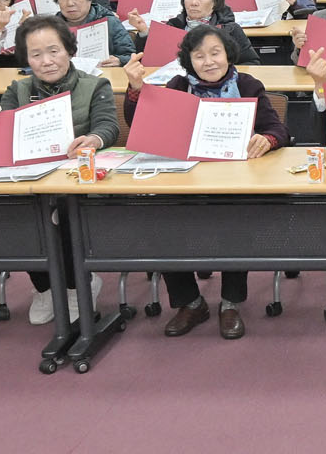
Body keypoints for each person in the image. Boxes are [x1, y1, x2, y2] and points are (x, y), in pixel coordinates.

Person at [123, 25, 288, 338]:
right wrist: (135, 88)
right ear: (189, 61)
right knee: (162, 220)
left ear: (228, 54)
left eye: (215, 53)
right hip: (184, 181)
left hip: (234, 183)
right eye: (199, 56)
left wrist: (267, 139)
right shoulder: (178, 85)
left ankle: (230, 303)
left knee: (235, 222)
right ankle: (191, 303)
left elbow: (278, 129)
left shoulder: (248, 85)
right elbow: (141, 122)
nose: (209, 61)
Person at [0, 16, 119, 325]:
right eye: (36, 54)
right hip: (31, 179)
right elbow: (1, 132)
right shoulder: (18, 88)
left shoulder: (95, 85)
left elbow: (108, 126)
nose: (47, 61)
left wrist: (93, 139)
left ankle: (79, 285)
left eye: (54, 51)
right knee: (18, 215)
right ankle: (46, 287)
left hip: (77, 181)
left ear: (69, 50)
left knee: (64, 213)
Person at [46, 0, 134, 65]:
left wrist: (120, 60)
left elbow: (131, 55)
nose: (70, 3)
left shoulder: (109, 21)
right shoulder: (51, 28)